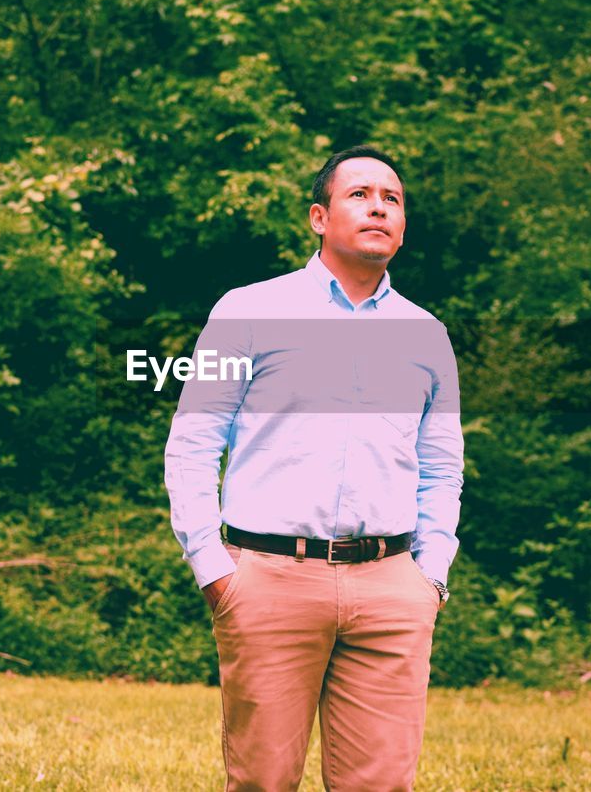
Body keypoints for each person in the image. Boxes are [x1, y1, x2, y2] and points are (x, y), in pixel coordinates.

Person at [164, 145, 464, 791]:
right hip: (268, 581)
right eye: (359, 193)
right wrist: (215, 571)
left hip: (391, 590)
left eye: (393, 198)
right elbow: (191, 443)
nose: (379, 205)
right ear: (319, 216)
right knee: (261, 783)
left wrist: (429, 578)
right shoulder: (246, 312)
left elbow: (443, 468)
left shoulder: (427, 335)